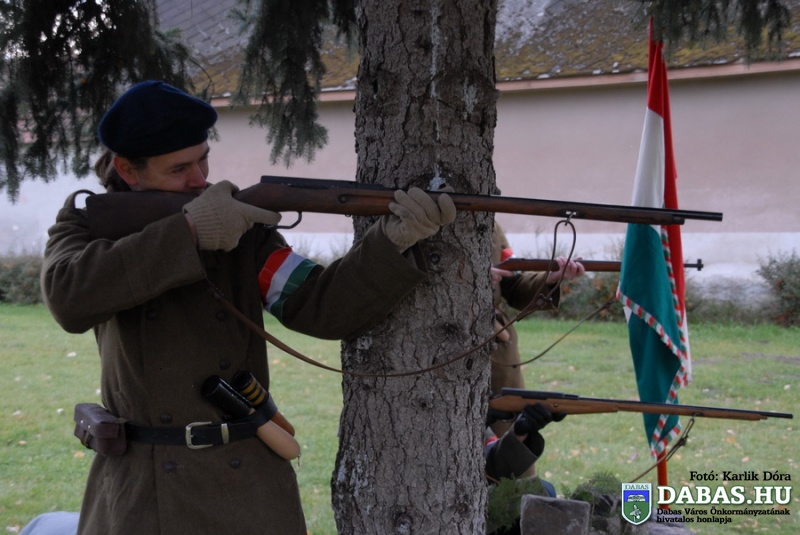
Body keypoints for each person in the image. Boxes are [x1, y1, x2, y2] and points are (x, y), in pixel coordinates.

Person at [40, 80, 456, 535]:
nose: (199, 179)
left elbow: (318, 306)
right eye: (179, 168)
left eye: (202, 159)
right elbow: (67, 298)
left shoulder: (237, 225)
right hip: (141, 488)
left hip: (247, 483)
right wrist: (189, 233)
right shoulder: (90, 221)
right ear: (127, 169)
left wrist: (392, 241)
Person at [488, 223, 584, 436]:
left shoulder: (490, 225)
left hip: (497, 352)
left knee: (503, 438)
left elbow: (512, 283)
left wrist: (549, 278)